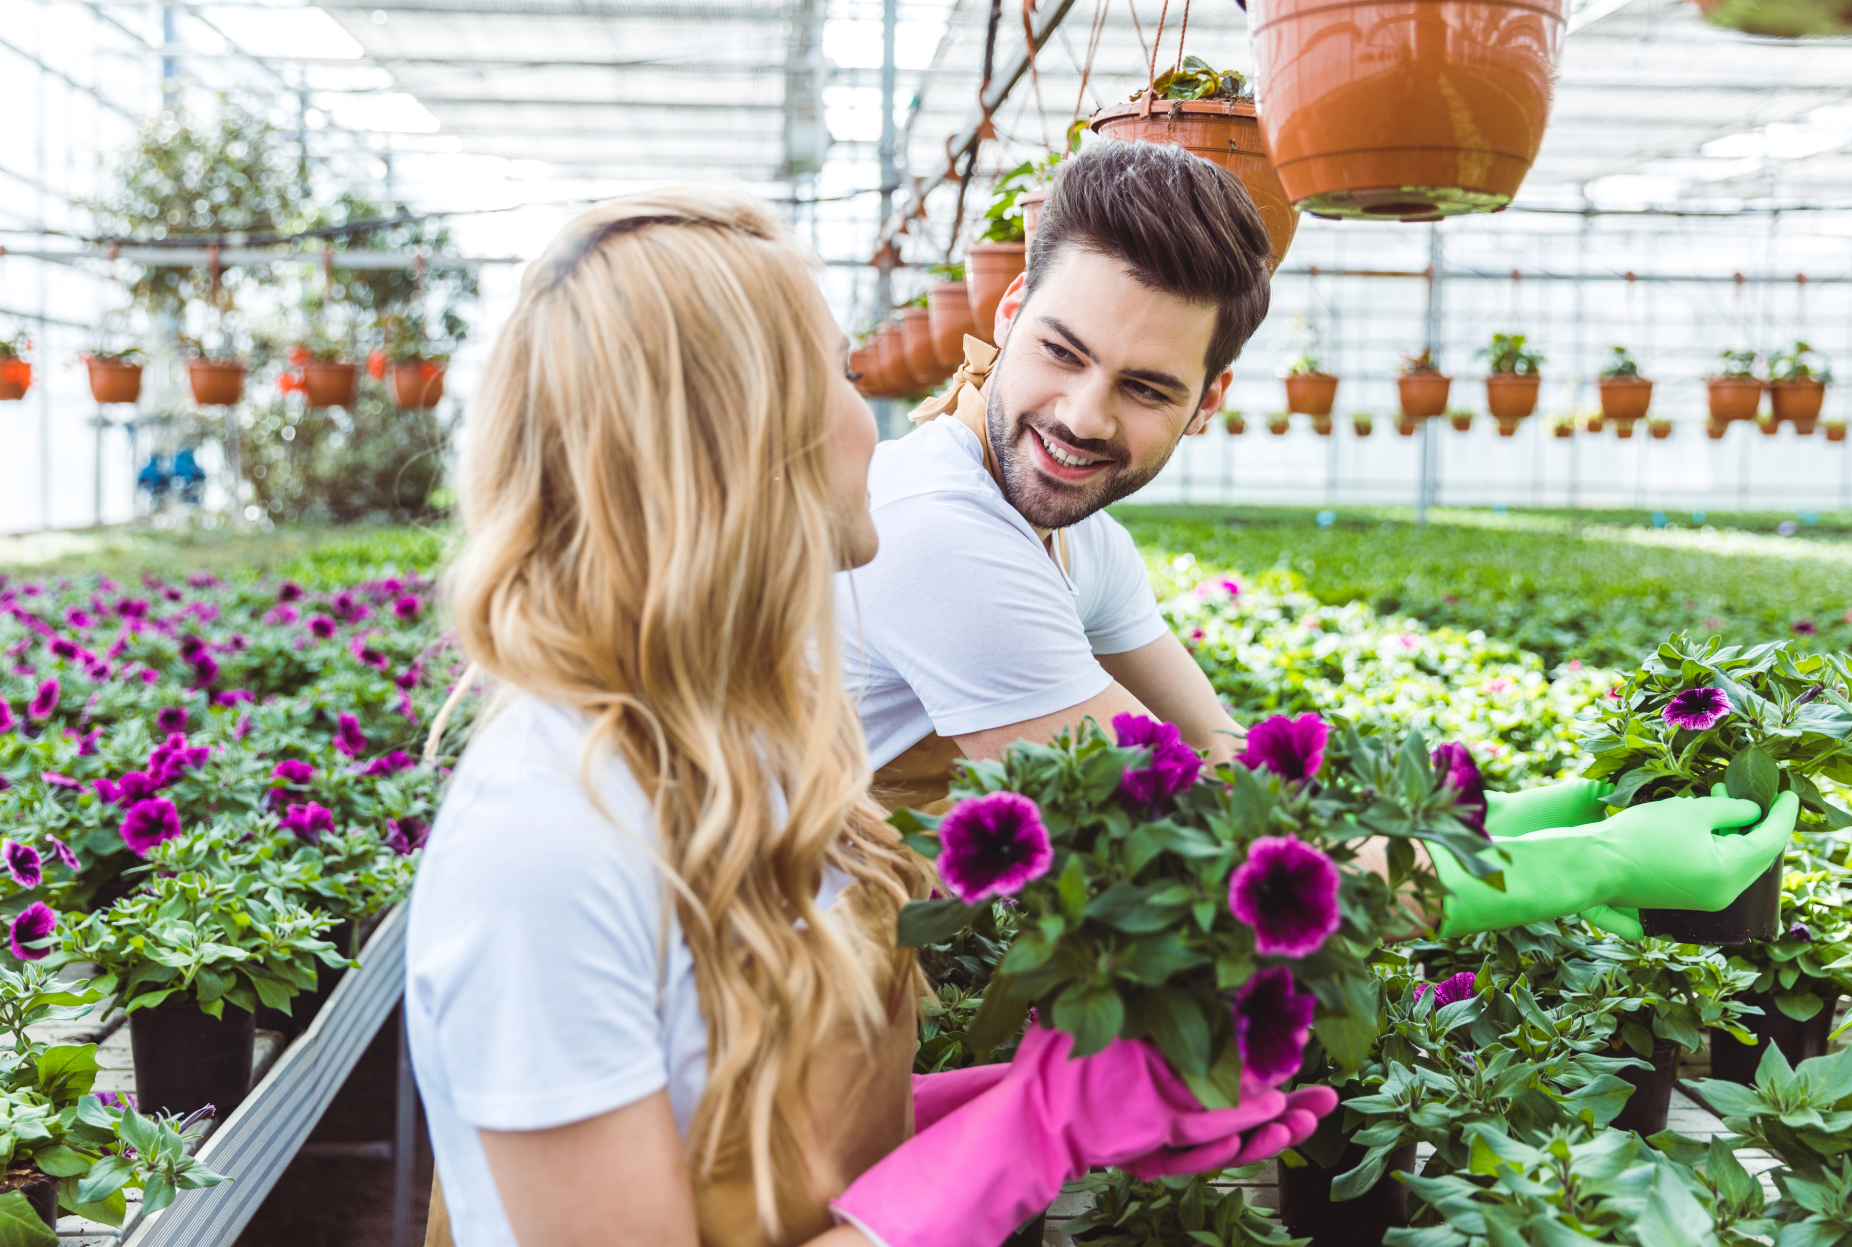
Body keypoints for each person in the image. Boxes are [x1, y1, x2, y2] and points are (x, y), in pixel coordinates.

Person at [405, 187, 1330, 1247]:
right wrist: (1026, 1135)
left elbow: (758, 1142)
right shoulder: (552, 841)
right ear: (732, 441)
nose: (878, 419)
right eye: (842, 377)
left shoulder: (759, 745)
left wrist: (1030, 1106)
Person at [840, 138, 1796, 939]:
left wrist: (1506, 821)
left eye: (1146, 386)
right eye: (1061, 350)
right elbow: (1198, 867)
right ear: (1009, 317)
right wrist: (1591, 867)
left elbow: (1230, 776)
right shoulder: (941, 532)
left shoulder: (1083, 548)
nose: (1083, 417)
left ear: (1207, 401)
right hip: (749, 1024)